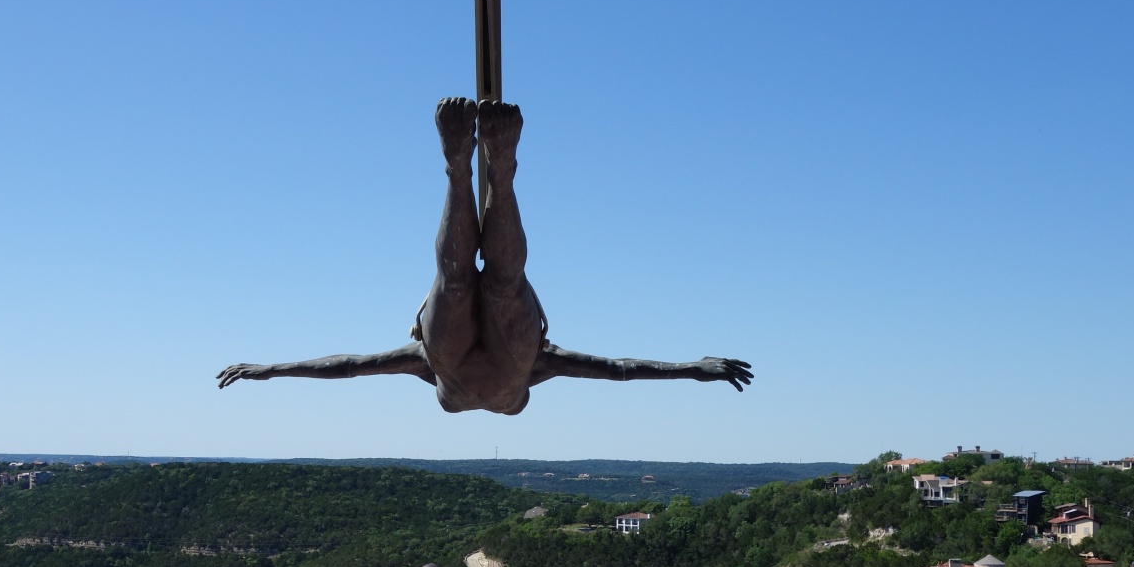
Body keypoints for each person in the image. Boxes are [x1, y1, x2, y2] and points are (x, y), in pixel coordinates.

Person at [217, 98, 752, 414]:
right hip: (483, 354)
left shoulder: (469, 370)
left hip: (475, 354)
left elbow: (346, 367)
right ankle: (478, 168)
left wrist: (270, 370)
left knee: (484, 280)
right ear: (513, 404)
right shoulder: (505, 371)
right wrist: (692, 369)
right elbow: (622, 371)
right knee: (478, 281)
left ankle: (483, 168)